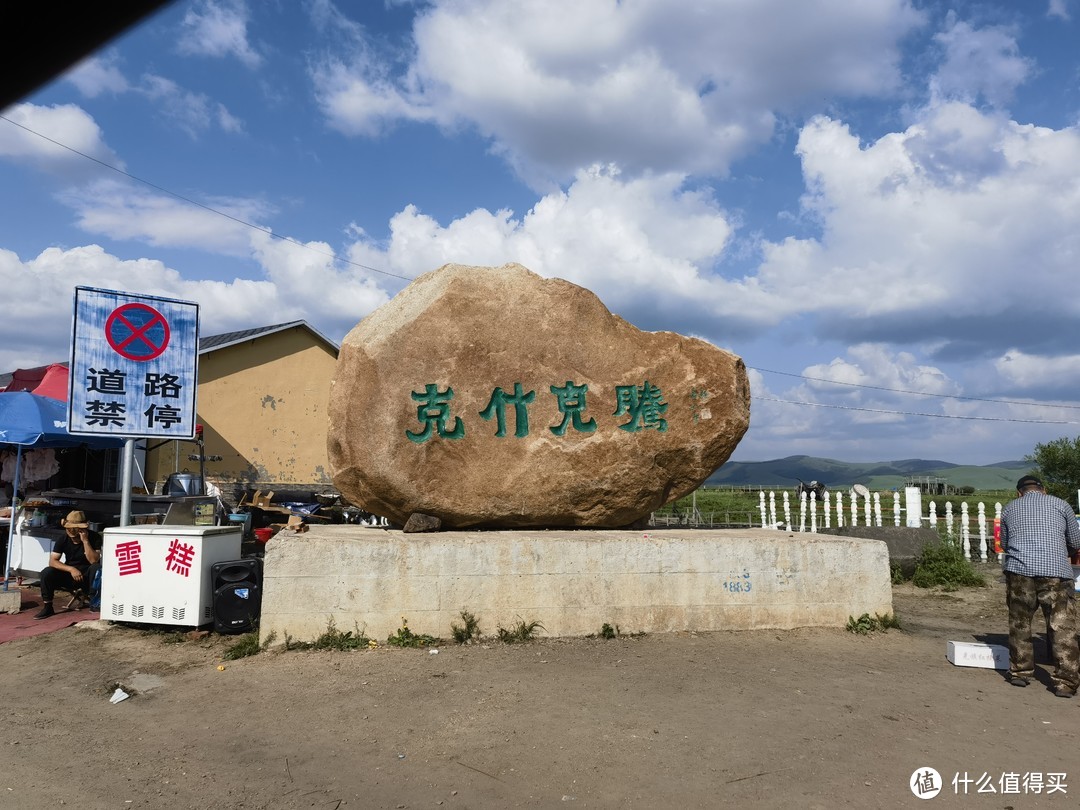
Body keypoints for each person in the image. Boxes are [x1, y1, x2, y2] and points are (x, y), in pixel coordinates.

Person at [1000, 475, 1080, 697]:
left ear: (1019, 493)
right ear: (1043, 490)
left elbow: (1005, 544)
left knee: (1020, 623)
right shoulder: (1061, 504)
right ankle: (1066, 681)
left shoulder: (1009, 508)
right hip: (1056, 572)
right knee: (1061, 626)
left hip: (1019, 572)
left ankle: (1020, 673)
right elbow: (1076, 541)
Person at [33, 510, 101, 620]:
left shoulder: (94, 537)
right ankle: (48, 606)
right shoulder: (63, 539)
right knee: (47, 572)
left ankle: (95, 603)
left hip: (87, 576)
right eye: (68, 529)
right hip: (70, 574)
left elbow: (94, 560)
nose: (70, 532)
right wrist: (71, 569)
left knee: (96, 568)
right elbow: (53, 561)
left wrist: (85, 541)